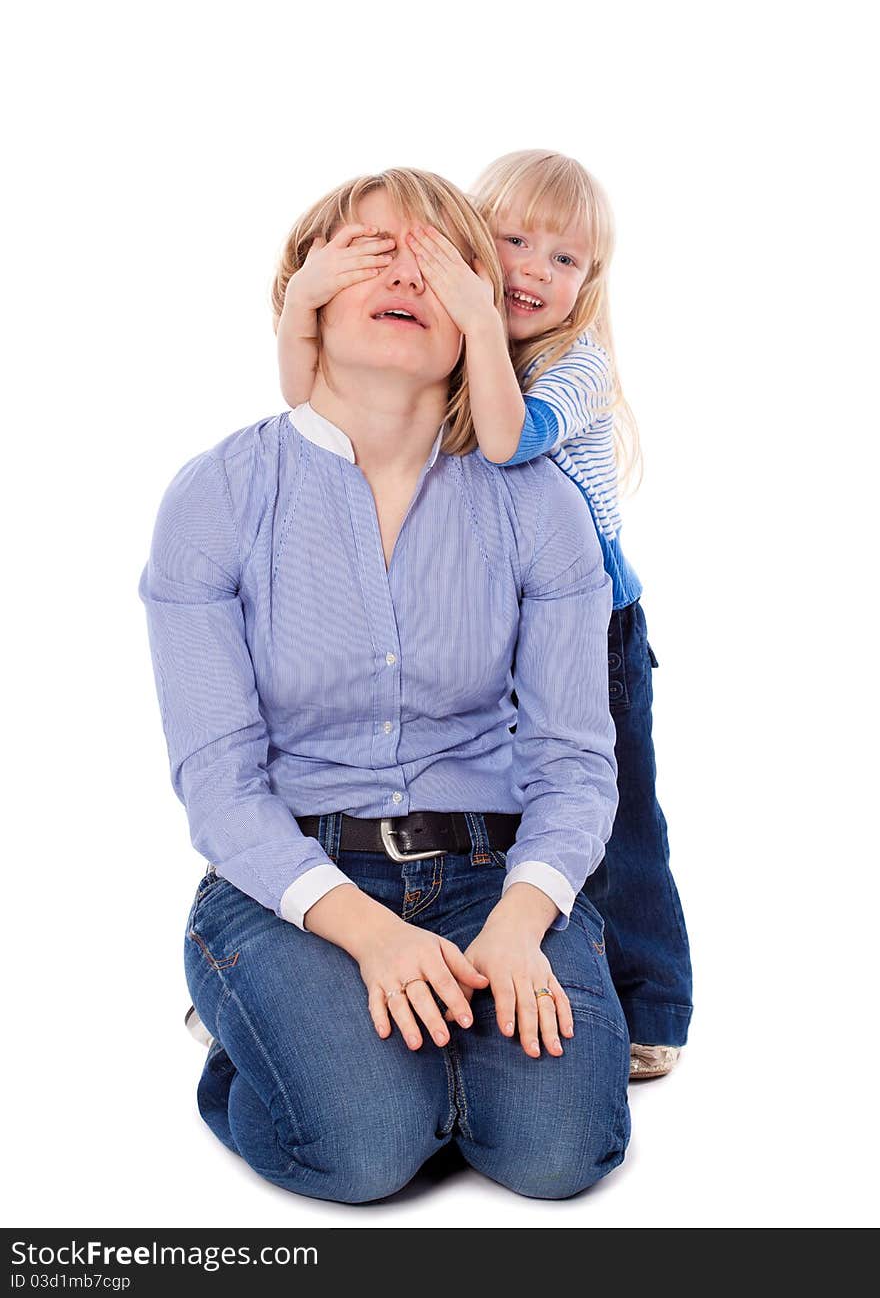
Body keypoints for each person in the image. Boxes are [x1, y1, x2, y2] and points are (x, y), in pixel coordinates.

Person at [139, 167, 630, 1204]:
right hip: (300, 884)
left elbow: (575, 763)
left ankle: (413, 1078)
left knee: (556, 1154)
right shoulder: (218, 496)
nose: (406, 272)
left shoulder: (536, 506)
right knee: (361, 1153)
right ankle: (269, 1030)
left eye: (437, 259)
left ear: (475, 318)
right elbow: (219, 781)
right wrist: (365, 935)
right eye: (371, 248)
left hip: (492, 874)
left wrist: (517, 920)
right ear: (308, 289)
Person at [278, 152, 693, 1079]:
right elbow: (308, 407)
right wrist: (305, 299)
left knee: (615, 812)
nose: (533, 271)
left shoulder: (572, 366)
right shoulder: (462, 345)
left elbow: (505, 442)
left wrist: (471, 316)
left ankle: (652, 1000)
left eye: (566, 260)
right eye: (512, 242)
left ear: (591, 285)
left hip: (596, 621)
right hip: (496, 612)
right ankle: (317, 974)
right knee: (480, 794)